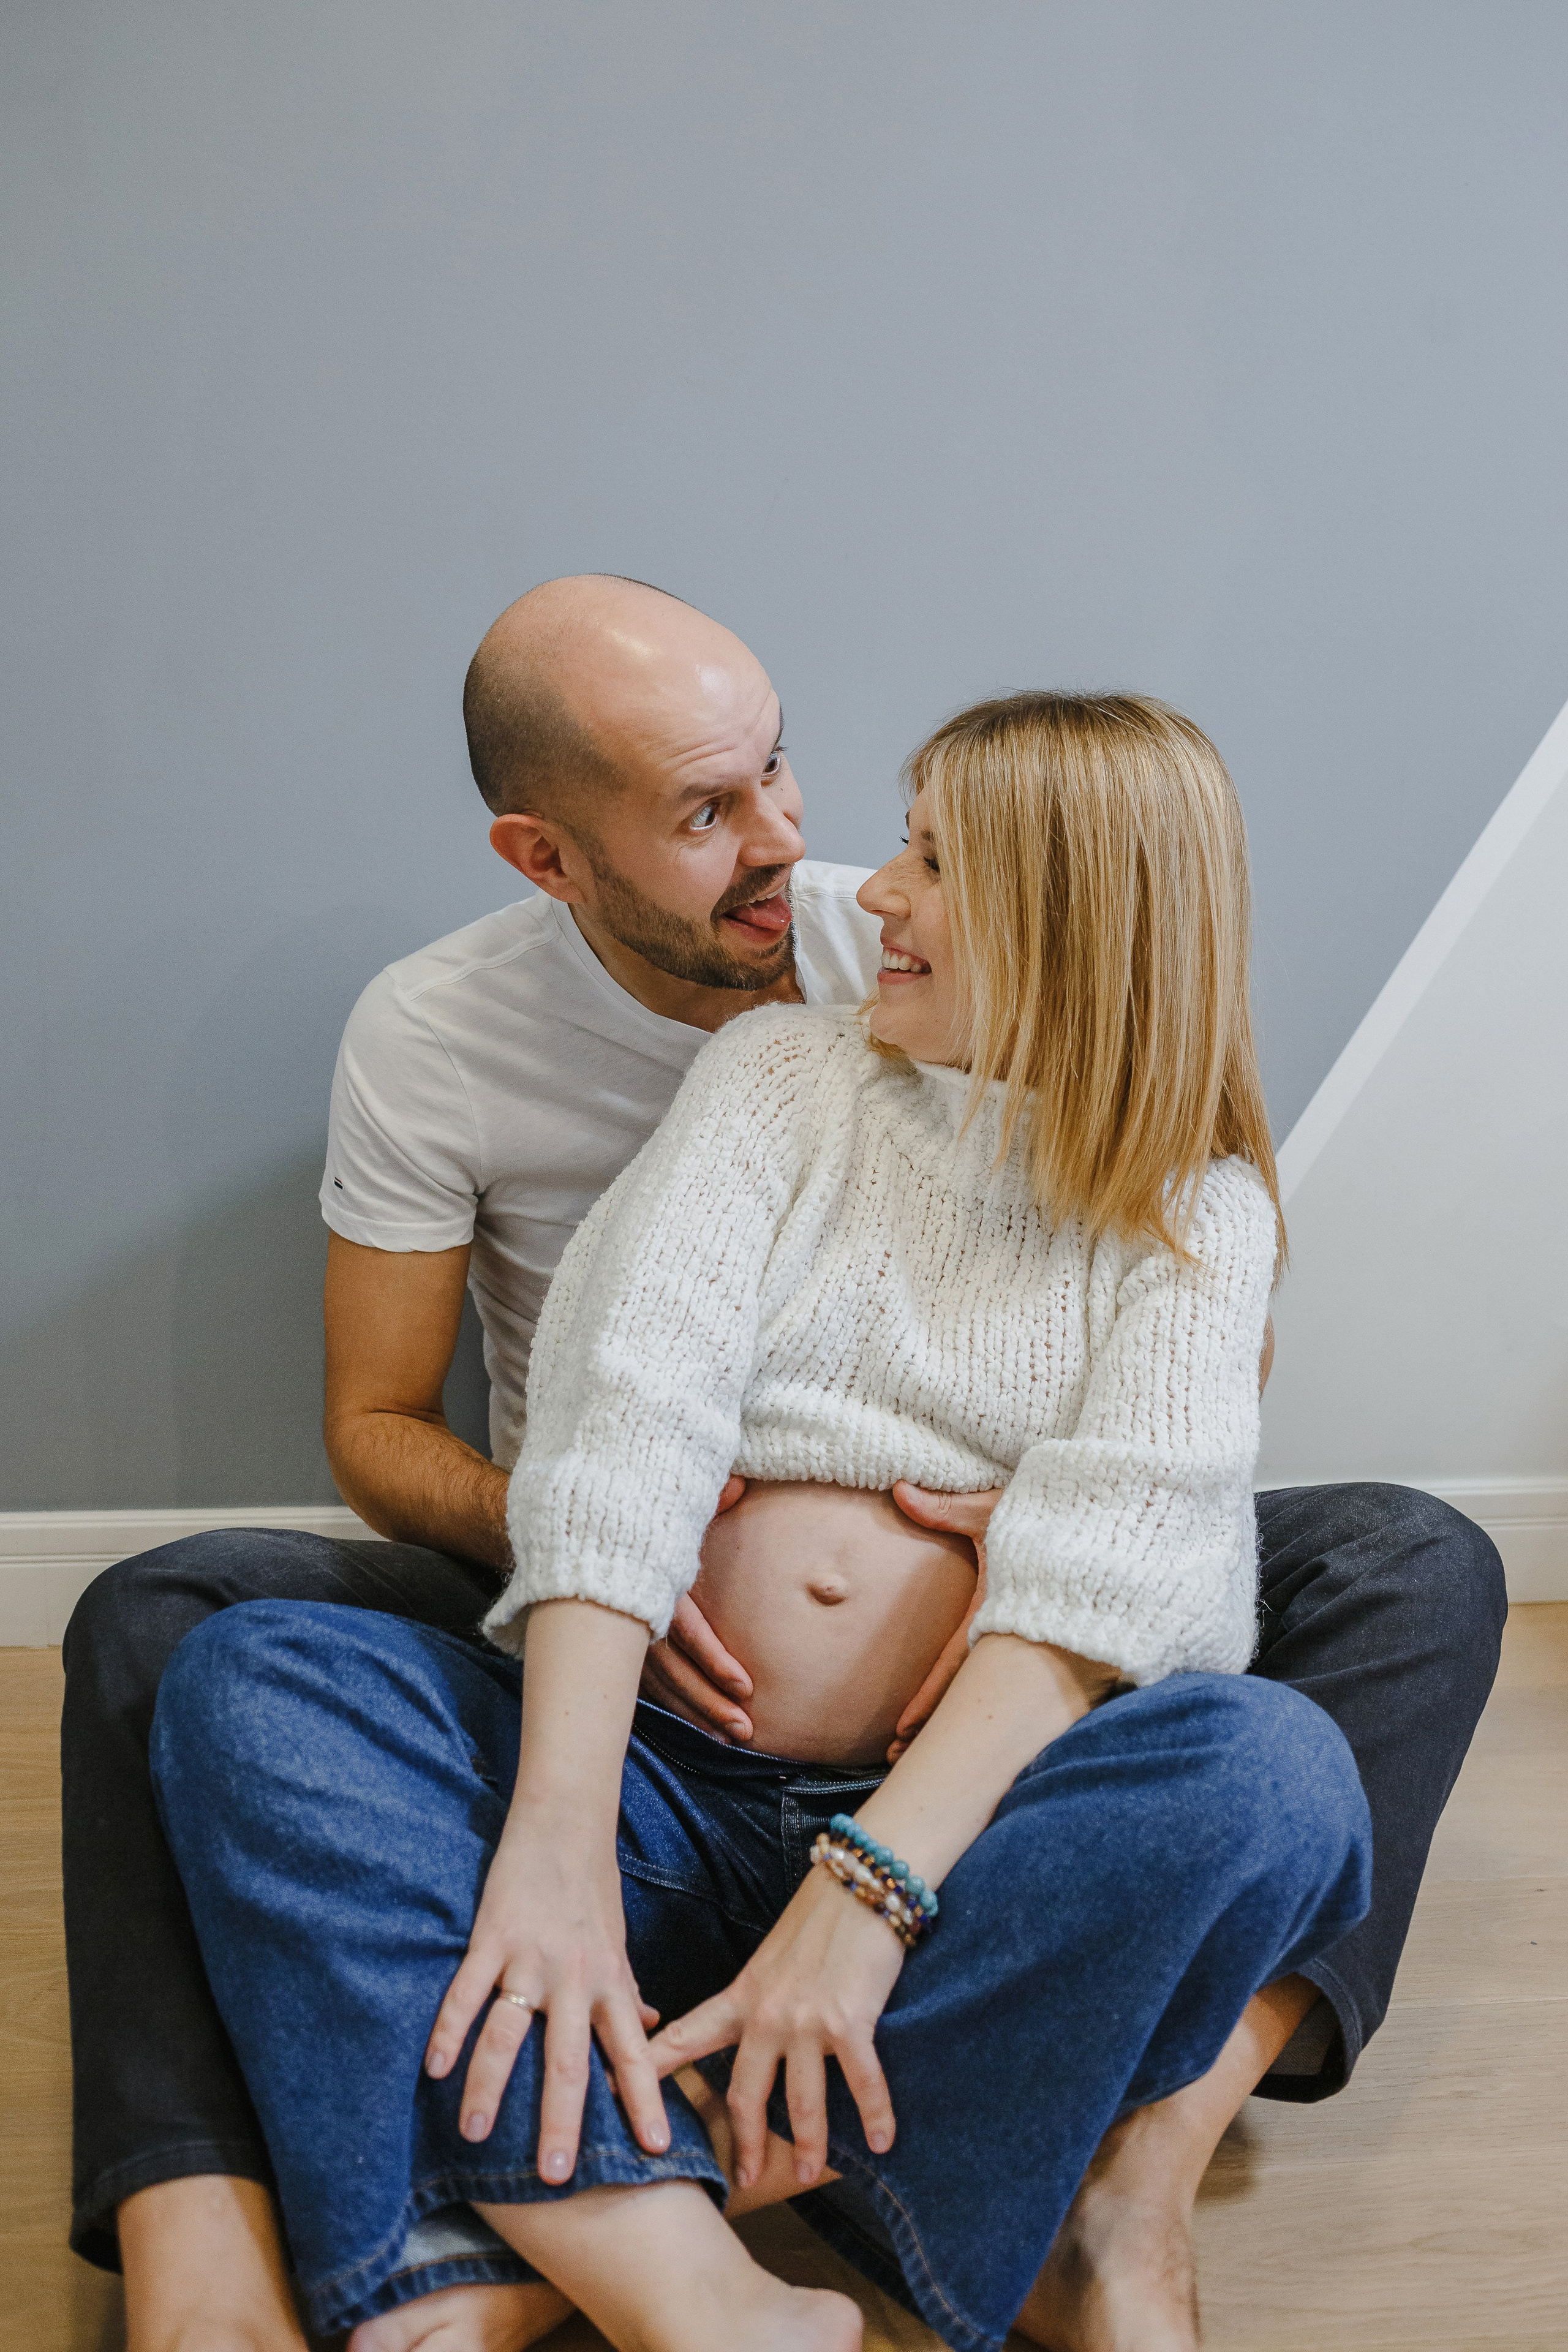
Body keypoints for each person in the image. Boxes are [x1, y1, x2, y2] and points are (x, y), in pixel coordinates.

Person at [61, 581, 1504, 2352]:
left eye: (848, 815)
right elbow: (595, 1407)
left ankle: (811, 2170)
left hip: (941, 1813)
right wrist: (569, 1810)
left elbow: (1150, 1514)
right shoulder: (742, 1068)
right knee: (227, 1659)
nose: (828, 874)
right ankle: (614, 2227)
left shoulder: (1166, 1186)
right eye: (707, 814)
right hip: (649, 1718)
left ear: (1071, 923)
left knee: (1293, 1742)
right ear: (551, 858)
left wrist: (900, 1824)